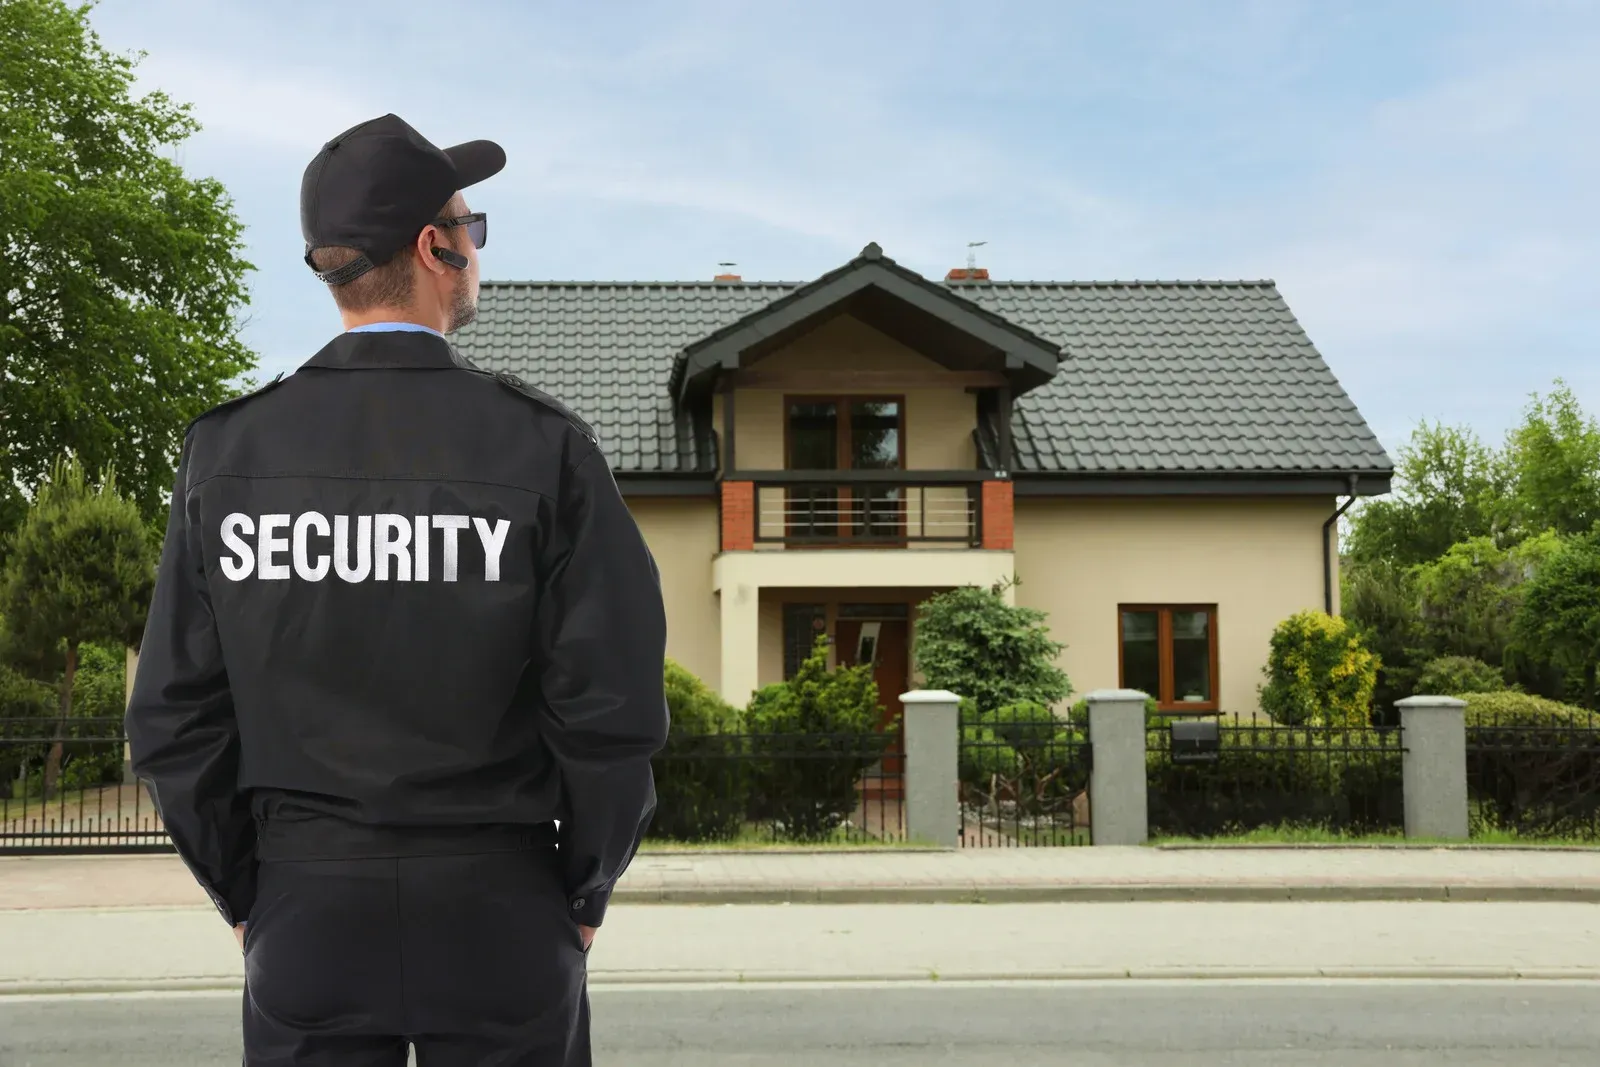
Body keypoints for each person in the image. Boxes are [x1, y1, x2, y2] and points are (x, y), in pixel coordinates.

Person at [125, 113, 670, 1066]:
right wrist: (584, 891)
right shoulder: (545, 446)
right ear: (434, 247)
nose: (474, 247)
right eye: (473, 227)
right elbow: (610, 707)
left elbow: (174, 716)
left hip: (307, 902)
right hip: (500, 905)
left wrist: (250, 893)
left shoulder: (228, 453)